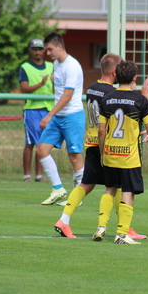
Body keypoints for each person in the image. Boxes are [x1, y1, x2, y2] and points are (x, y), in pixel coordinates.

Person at [53, 53, 148, 240]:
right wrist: (144, 97)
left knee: (87, 185)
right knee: (118, 186)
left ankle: (64, 220)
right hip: (105, 145)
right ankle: (124, 228)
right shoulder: (110, 94)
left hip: (90, 142)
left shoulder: (92, 88)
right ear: (115, 72)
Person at [93, 60, 148, 244]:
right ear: (134, 78)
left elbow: (101, 130)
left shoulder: (106, 99)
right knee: (128, 191)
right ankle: (122, 234)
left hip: (110, 153)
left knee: (109, 189)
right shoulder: (140, 100)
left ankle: (101, 227)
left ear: (116, 75)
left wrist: (102, 153)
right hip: (129, 157)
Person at [37, 33, 85, 205]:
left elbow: (68, 95)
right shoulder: (56, 64)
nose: (47, 53)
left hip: (72, 116)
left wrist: (49, 115)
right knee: (41, 149)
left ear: (59, 46)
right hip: (58, 116)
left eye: (49, 49)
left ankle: (77, 198)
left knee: (74, 157)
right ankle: (58, 189)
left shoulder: (72, 65)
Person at [19, 38, 56, 182]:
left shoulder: (51, 66)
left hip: (48, 109)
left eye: (40, 49)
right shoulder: (25, 67)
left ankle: (39, 175)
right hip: (32, 109)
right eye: (35, 49)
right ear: (30, 50)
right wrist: (40, 84)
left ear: (44, 51)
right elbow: (24, 88)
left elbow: (56, 87)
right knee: (30, 142)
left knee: (43, 142)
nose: (38, 52)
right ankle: (27, 175)